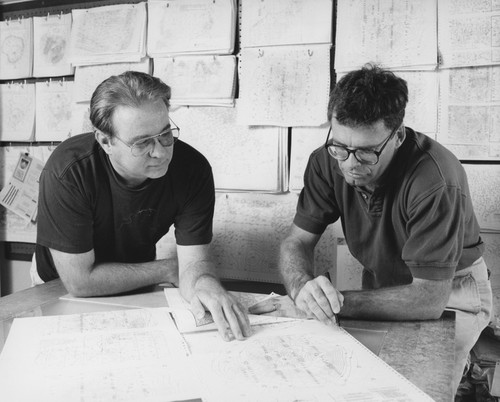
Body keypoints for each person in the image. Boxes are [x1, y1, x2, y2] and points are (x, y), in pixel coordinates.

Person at [274, 64, 492, 395]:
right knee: (359, 382)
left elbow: (428, 301)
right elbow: (296, 242)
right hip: (382, 284)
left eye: (365, 152)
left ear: (398, 136)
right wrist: (303, 289)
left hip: (451, 292)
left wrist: (331, 302)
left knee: (417, 390)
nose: (348, 164)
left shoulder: (435, 180)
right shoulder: (327, 160)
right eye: (340, 147)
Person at [33, 71, 250, 341]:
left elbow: (194, 263)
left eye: (165, 134)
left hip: (136, 275)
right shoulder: (68, 171)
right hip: (60, 282)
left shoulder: (193, 169)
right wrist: (169, 269)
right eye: (142, 142)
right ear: (105, 141)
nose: (160, 152)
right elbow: (80, 281)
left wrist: (205, 284)